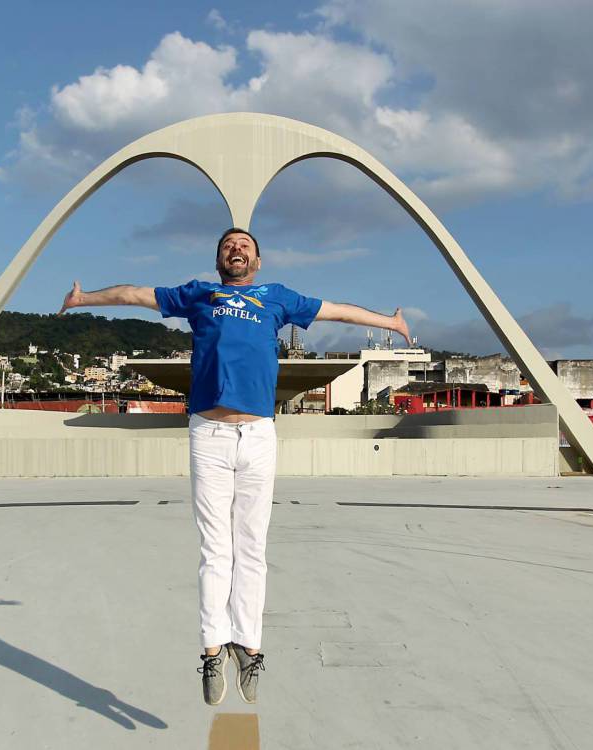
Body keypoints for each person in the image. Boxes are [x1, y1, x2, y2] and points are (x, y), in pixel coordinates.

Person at [59, 228, 409, 706]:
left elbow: (338, 311)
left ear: (257, 261)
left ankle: (248, 647)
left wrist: (389, 323)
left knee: (252, 548)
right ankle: (212, 650)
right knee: (215, 549)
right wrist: (84, 300)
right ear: (219, 260)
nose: (236, 248)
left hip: (259, 435)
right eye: (228, 245)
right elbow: (136, 295)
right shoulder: (200, 294)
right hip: (209, 433)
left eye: (244, 245)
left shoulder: (277, 298)